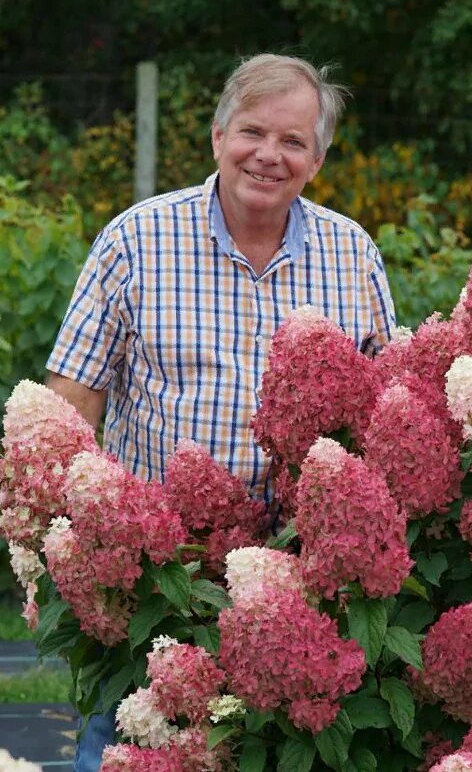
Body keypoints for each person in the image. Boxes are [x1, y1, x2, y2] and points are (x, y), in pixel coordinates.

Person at [45, 54, 396, 771]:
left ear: (318, 159)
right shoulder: (135, 241)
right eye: (252, 132)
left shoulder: (350, 253)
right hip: (156, 584)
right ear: (216, 137)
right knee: (122, 752)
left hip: (302, 591)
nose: (269, 155)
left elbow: (391, 407)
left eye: (293, 142)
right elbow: (70, 401)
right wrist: (67, 545)